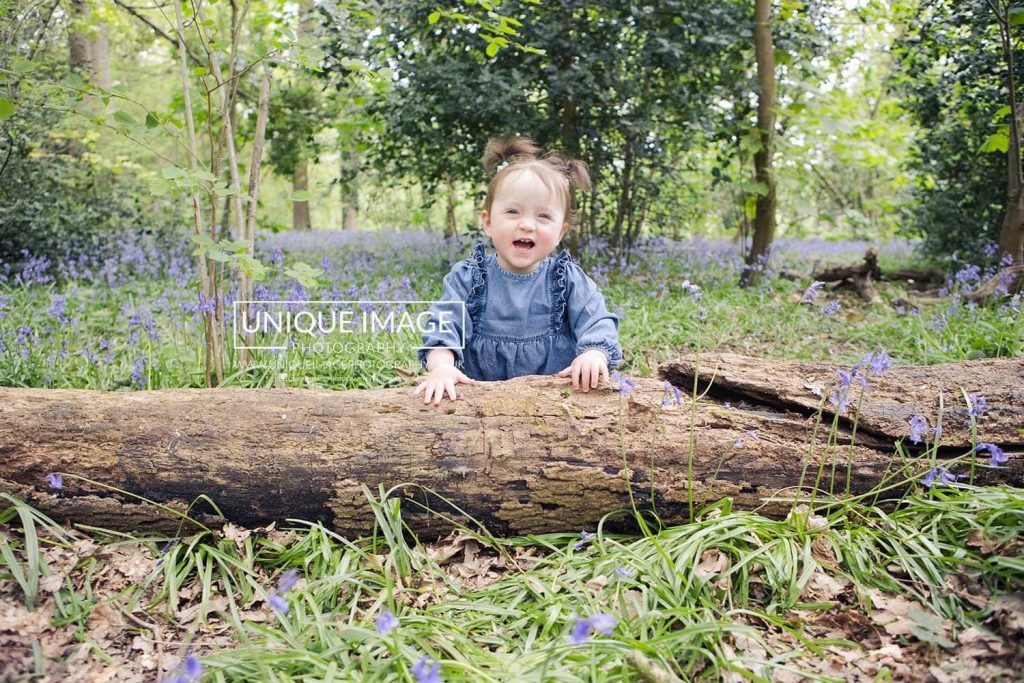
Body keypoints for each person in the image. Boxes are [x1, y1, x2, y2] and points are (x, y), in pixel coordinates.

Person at [414, 137, 622, 405]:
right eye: (513, 211)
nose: (527, 225)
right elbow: (445, 326)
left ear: (561, 232)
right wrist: (441, 366)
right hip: (478, 404)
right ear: (488, 222)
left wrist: (594, 353)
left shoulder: (567, 279)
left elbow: (597, 320)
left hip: (554, 403)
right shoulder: (468, 277)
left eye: (543, 216)